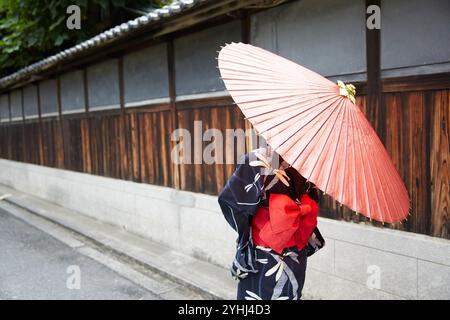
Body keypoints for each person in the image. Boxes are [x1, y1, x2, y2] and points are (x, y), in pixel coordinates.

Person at [218, 147, 325, 300]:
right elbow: (313, 200)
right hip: (296, 252)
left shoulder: (255, 160)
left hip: (263, 251)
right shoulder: (310, 164)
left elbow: (232, 202)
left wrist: (245, 234)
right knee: (290, 293)